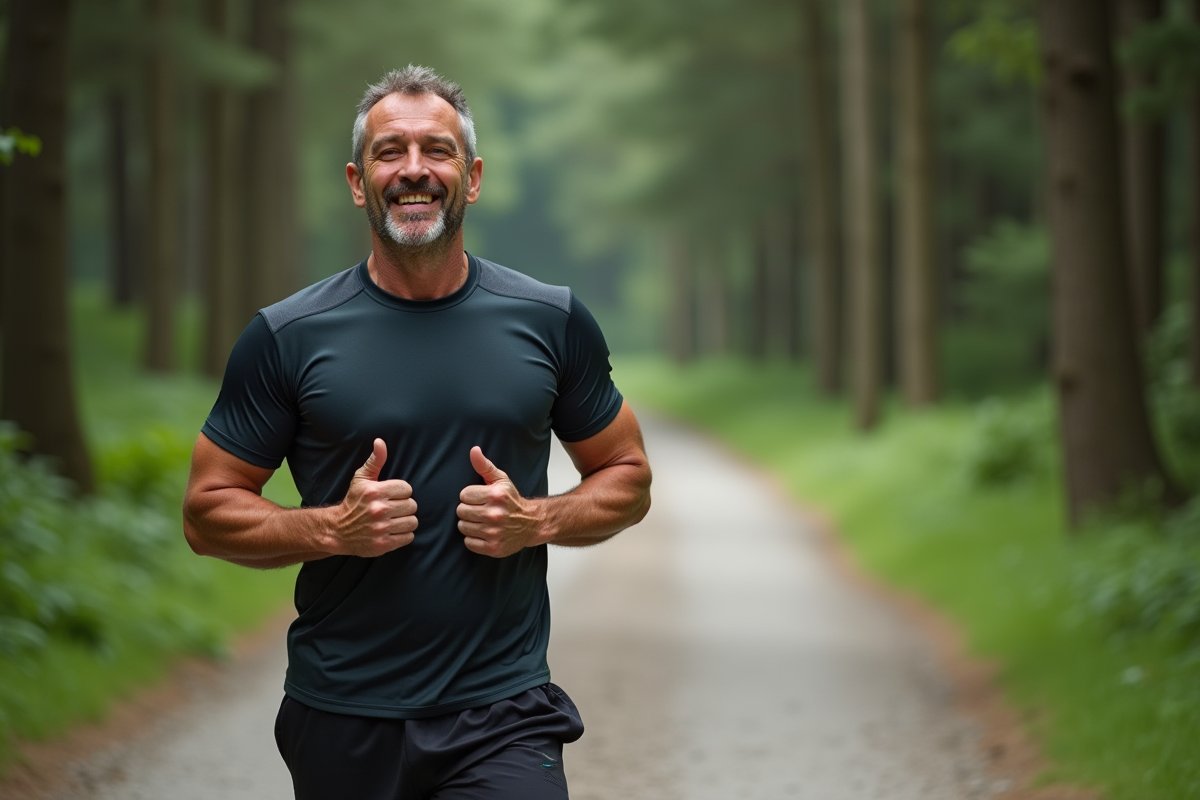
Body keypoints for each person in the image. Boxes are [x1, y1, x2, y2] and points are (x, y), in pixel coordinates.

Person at [182, 64, 652, 800]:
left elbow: (628, 475)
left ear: (471, 178)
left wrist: (538, 519)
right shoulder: (287, 336)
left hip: (503, 710)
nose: (413, 169)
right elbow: (208, 512)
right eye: (388, 151)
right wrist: (333, 529)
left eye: (436, 150)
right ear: (355, 179)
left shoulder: (550, 320)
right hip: (343, 710)